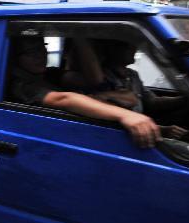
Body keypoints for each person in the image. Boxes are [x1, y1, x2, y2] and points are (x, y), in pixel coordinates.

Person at [9, 36, 162, 148]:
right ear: (14, 57)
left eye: (42, 47)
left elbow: (125, 95)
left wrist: (102, 96)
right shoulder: (21, 85)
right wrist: (125, 115)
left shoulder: (49, 73)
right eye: (31, 52)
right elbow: (62, 99)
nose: (41, 55)